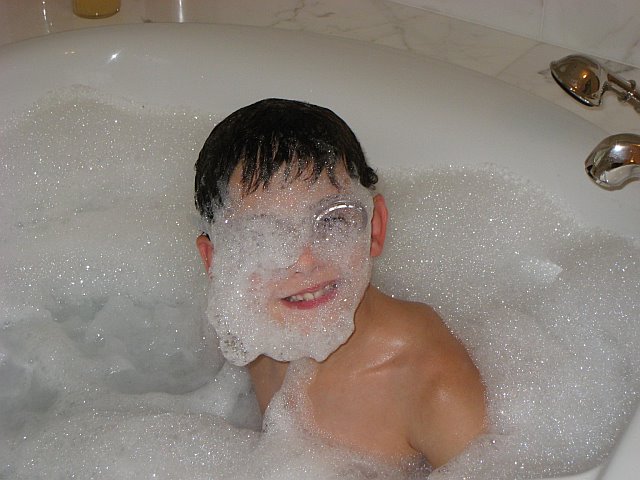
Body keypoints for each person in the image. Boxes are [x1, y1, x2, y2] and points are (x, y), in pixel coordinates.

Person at [194, 98, 485, 470]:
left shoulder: (432, 385)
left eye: (332, 221)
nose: (304, 261)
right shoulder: (244, 330)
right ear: (216, 262)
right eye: (262, 236)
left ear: (374, 229)